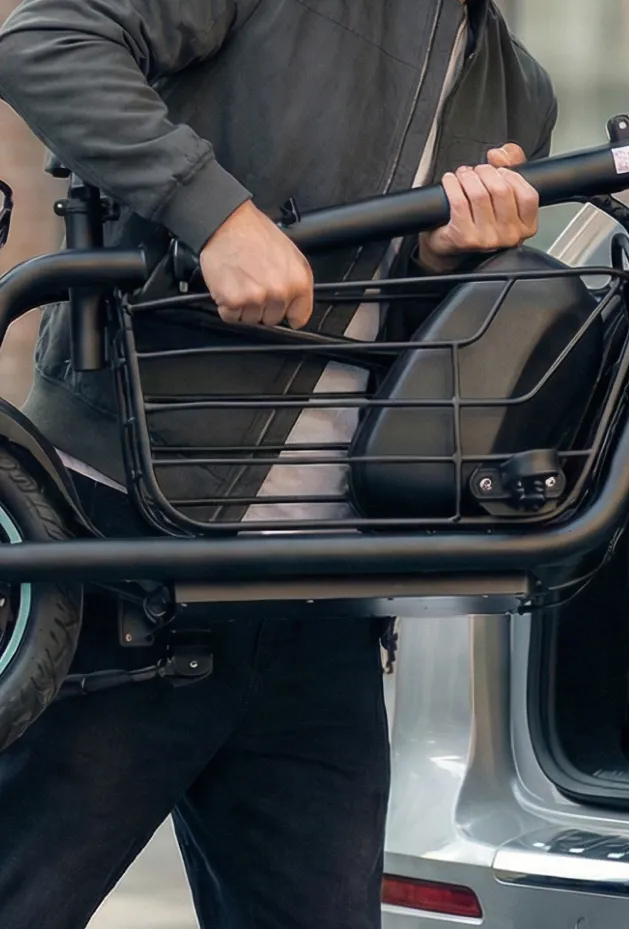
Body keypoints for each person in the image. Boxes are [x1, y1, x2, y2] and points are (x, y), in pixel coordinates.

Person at [0, 0, 555, 926]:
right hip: (122, 541)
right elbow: (45, 42)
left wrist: (439, 259)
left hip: (319, 594)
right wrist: (218, 216)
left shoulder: (520, 92)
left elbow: (406, 347)